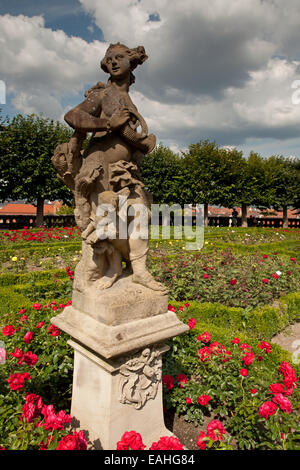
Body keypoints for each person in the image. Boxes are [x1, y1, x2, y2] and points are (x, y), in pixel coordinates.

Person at [52, 42, 166, 293]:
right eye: (109, 59)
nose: (113, 62)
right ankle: (112, 267)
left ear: (131, 63)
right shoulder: (103, 93)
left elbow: (132, 136)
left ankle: (139, 271)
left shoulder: (127, 98)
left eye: (119, 58)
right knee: (106, 222)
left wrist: (142, 144)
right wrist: (107, 123)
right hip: (100, 167)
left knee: (141, 214)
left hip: (126, 171)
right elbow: (73, 116)